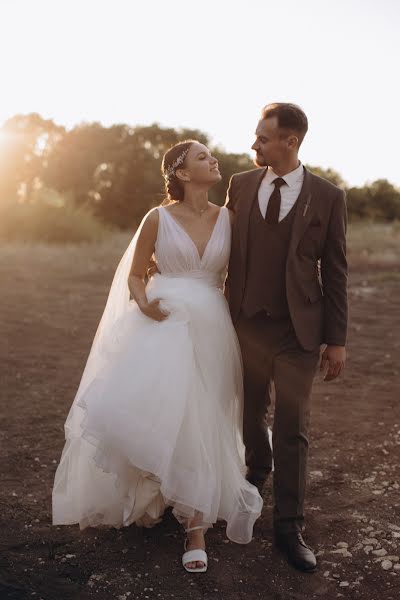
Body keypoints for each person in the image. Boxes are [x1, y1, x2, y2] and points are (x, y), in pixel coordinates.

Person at [52, 140, 262, 573]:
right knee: (174, 413)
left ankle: (191, 504)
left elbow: (243, 273)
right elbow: (133, 273)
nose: (213, 159)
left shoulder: (230, 218)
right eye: (202, 156)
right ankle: (194, 528)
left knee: (207, 414)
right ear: (182, 174)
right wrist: (144, 303)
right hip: (163, 322)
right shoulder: (158, 217)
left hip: (213, 326)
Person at [225, 103, 348, 572]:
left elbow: (336, 271)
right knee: (250, 413)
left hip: (300, 332)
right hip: (246, 325)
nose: (254, 145)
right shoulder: (239, 185)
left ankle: (288, 527)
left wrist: (335, 339)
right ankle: (256, 474)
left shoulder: (328, 196)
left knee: (293, 427)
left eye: (262, 138)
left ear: (290, 142)